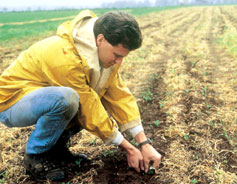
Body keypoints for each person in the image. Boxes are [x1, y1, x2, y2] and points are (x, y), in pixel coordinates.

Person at [0, 10, 162, 181]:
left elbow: (119, 96)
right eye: (117, 55)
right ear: (100, 39)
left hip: (41, 96)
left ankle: (57, 149)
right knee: (68, 99)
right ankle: (36, 155)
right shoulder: (65, 55)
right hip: (11, 102)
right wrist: (129, 148)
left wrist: (143, 143)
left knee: (86, 95)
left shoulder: (101, 55)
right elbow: (89, 107)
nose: (119, 62)